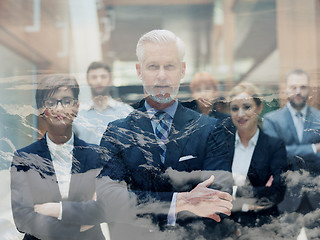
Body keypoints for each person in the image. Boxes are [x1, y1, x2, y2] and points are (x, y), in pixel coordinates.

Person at [93, 30, 234, 240]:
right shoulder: (117, 132)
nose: (161, 75)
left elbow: (218, 199)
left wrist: (137, 201)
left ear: (182, 70)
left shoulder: (210, 129)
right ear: (139, 70)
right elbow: (109, 199)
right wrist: (181, 201)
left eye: (169, 66)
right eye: (153, 66)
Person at [10, 75, 105, 240]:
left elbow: (103, 209)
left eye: (67, 101)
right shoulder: (23, 158)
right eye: (51, 103)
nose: (60, 109)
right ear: (41, 110)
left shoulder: (97, 155)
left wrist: (56, 209)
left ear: (77, 107)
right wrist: (76, 228)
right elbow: (22, 219)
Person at [211, 82, 287, 236]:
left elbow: (277, 192)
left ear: (259, 108)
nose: (240, 114)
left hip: (262, 229)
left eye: (247, 107)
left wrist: (232, 193)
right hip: (225, 229)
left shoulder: (274, 146)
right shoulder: (221, 145)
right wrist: (255, 195)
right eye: (234, 108)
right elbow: (214, 189)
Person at [263, 69, 320, 214]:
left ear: (310, 89)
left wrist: (290, 151)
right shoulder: (271, 120)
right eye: (293, 87)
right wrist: (314, 149)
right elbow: (276, 155)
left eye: (303, 87)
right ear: (285, 89)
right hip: (285, 197)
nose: (298, 91)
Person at [73, 62, 133, 145]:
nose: (99, 81)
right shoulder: (78, 113)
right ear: (87, 80)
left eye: (103, 77)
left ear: (110, 80)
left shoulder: (126, 112)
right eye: (94, 77)